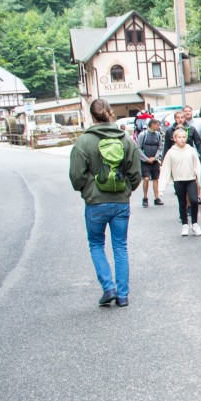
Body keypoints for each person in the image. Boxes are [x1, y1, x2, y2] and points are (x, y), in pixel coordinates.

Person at [68, 98, 142, 308]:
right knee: (120, 246)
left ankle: (108, 287)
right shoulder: (126, 139)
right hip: (120, 201)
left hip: (95, 202)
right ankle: (123, 294)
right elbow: (135, 173)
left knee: (96, 244)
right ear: (110, 112)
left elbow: (76, 176)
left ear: (92, 116)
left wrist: (87, 189)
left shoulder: (83, 142)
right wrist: (126, 189)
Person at [158, 129, 201, 237]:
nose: (182, 139)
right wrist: (161, 188)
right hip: (178, 180)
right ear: (174, 139)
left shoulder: (191, 150)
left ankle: (195, 223)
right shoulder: (171, 152)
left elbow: (198, 166)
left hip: (191, 179)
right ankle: (185, 224)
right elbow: (166, 169)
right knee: (182, 202)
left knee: (193, 200)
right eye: (179, 137)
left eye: (184, 137)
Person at [137, 117, 164, 207]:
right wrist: (145, 159)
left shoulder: (158, 135)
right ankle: (145, 198)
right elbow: (138, 148)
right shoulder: (143, 134)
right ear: (152, 125)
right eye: (157, 125)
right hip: (145, 161)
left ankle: (157, 198)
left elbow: (160, 147)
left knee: (156, 179)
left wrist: (155, 157)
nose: (158, 126)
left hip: (154, 161)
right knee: (146, 179)